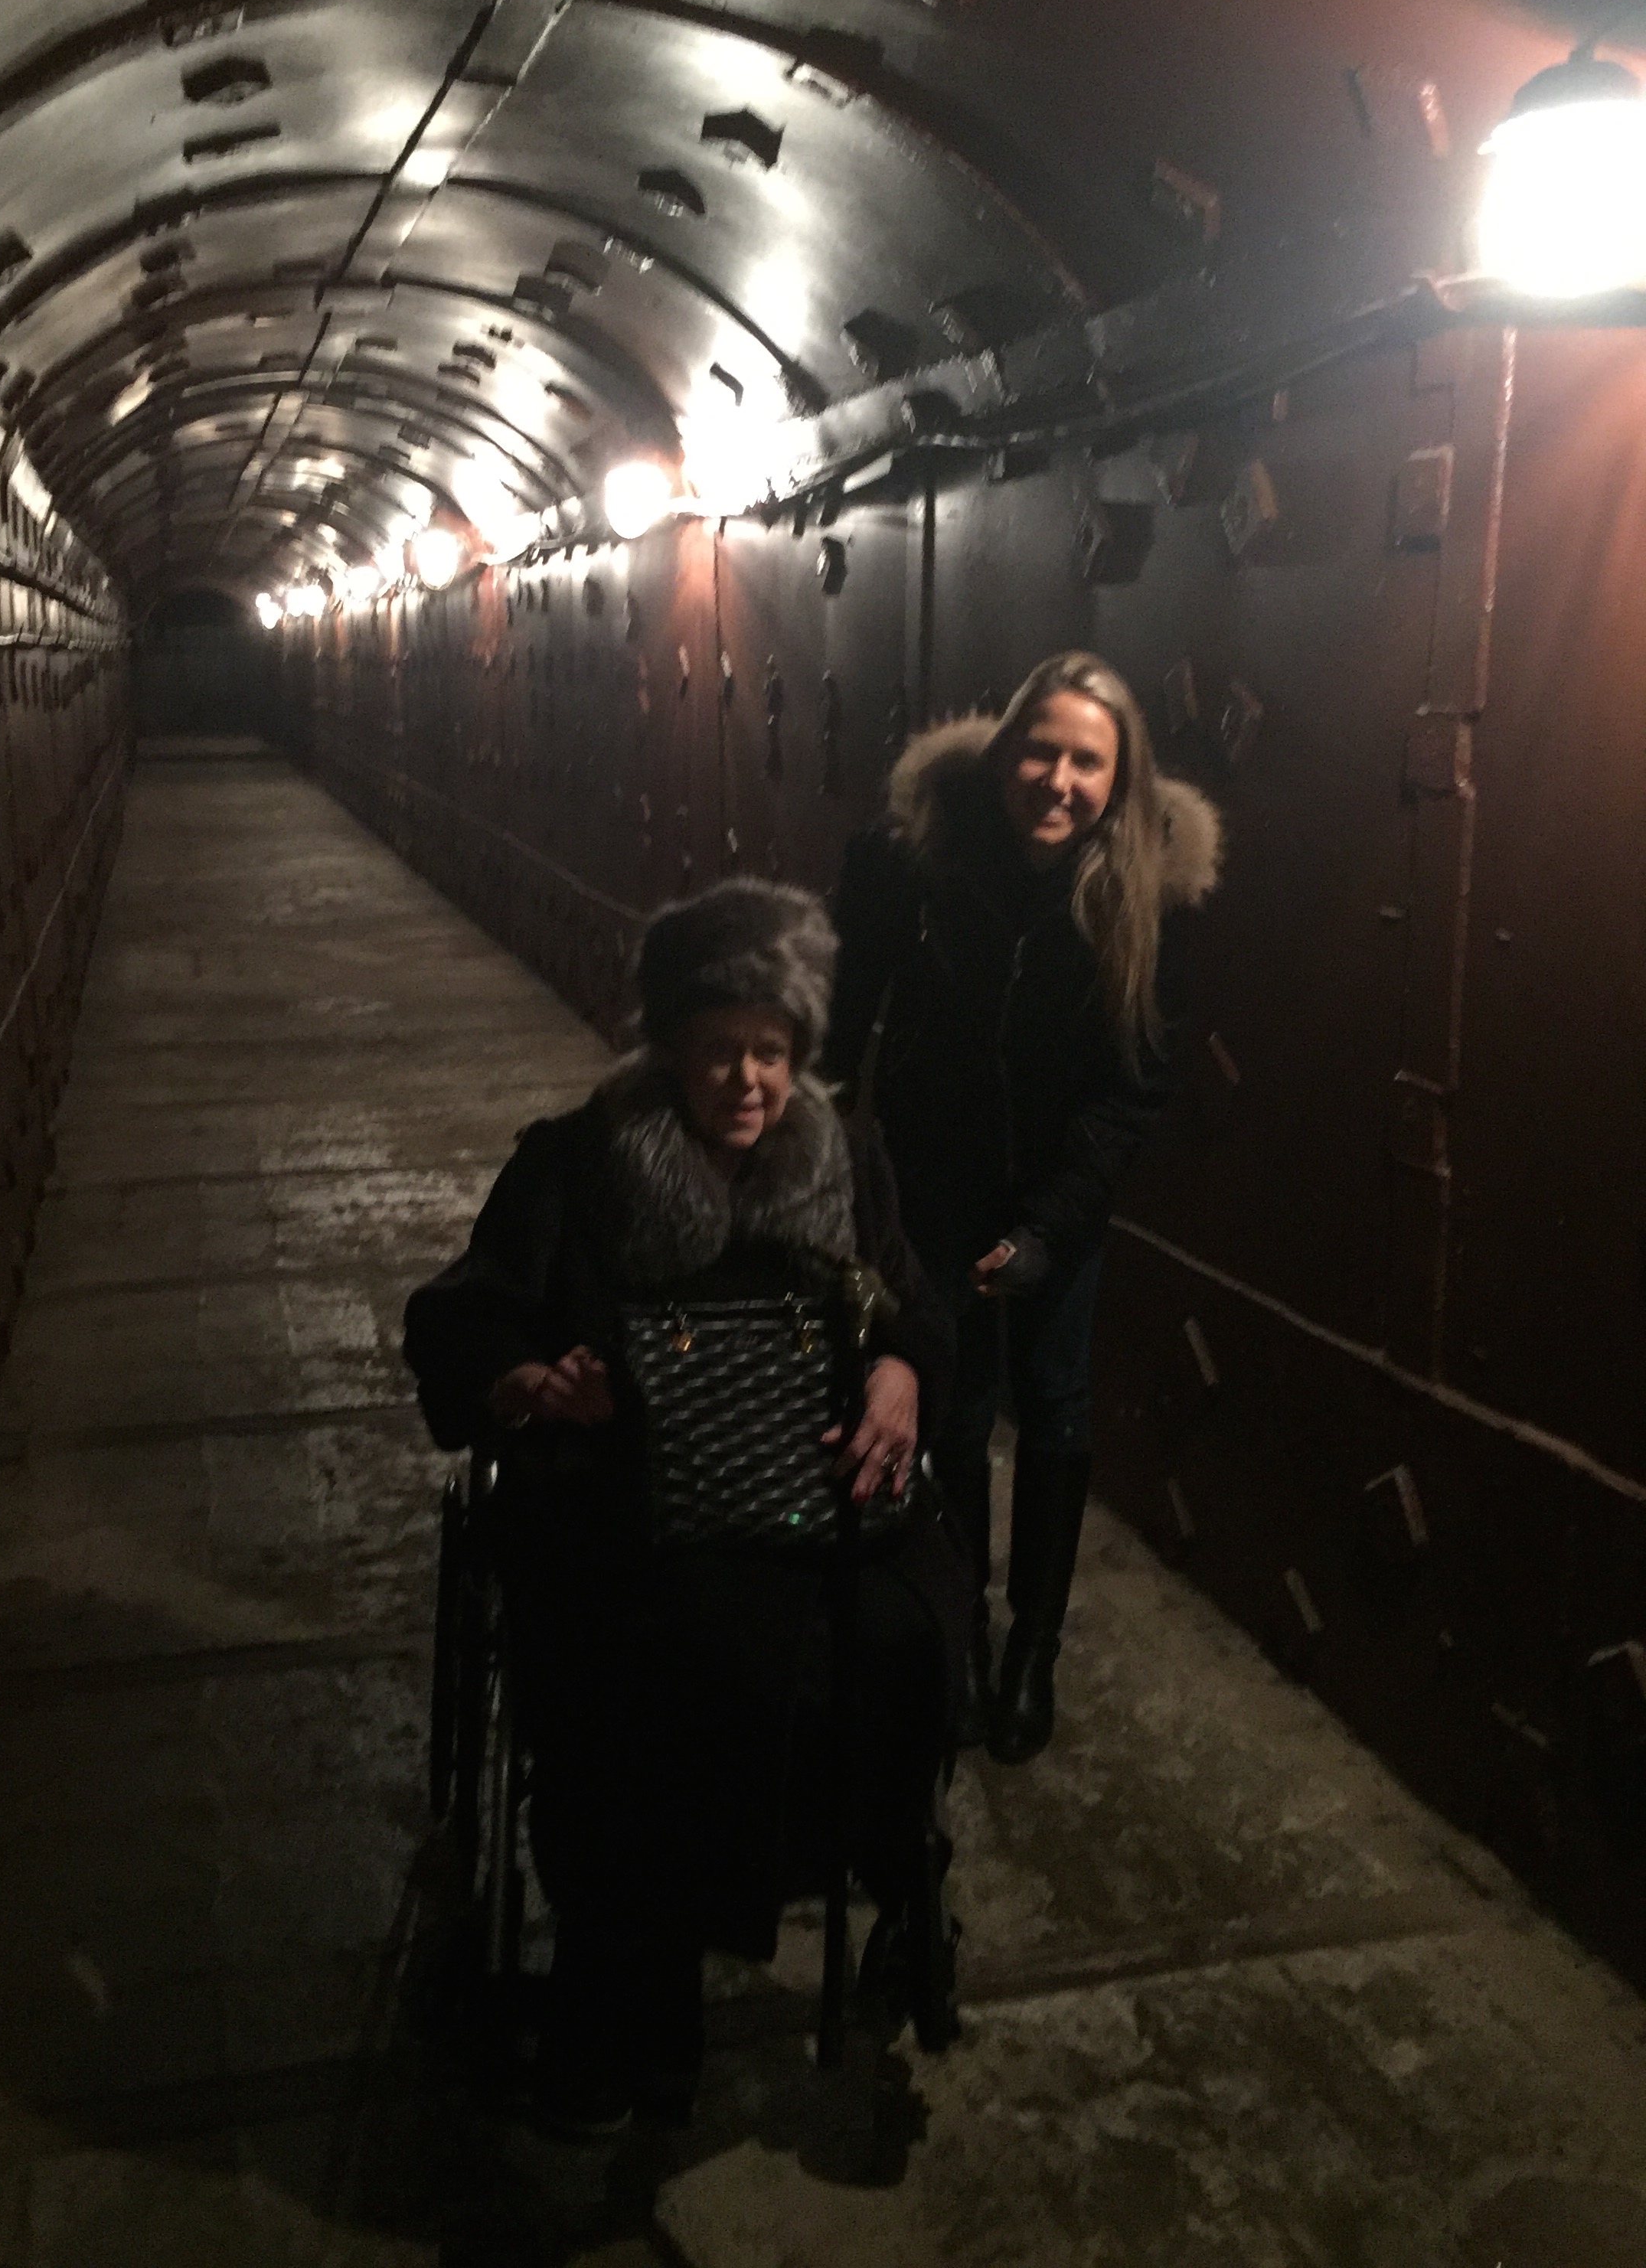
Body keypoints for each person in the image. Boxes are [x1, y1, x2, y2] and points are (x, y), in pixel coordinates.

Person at [403, 879, 971, 2133]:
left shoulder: (846, 1161)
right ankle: (630, 1990)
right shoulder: (576, 1163)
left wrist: (899, 1373)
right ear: (668, 1048)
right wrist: (527, 1382)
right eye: (718, 1050)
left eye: (771, 1050)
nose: (747, 1081)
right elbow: (459, 1316)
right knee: (643, 1671)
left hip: (808, 1497)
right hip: (624, 1507)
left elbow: (919, 1308)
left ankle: (892, 1871)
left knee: (902, 1637)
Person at [825, 651, 1223, 1764]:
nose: (1059, 780)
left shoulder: (1146, 895)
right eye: (1040, 752)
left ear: (1120, 779)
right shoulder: (912, 859)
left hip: (1058, 1200)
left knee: (1053, 1411)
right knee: (949, 1411)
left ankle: (1032, 1651)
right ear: (1004, 752)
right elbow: (847, 1016)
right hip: (932, 1185)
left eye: (1088, 763)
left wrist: (1048, 1231)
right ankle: (957, 1625)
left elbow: (1130, 1088)